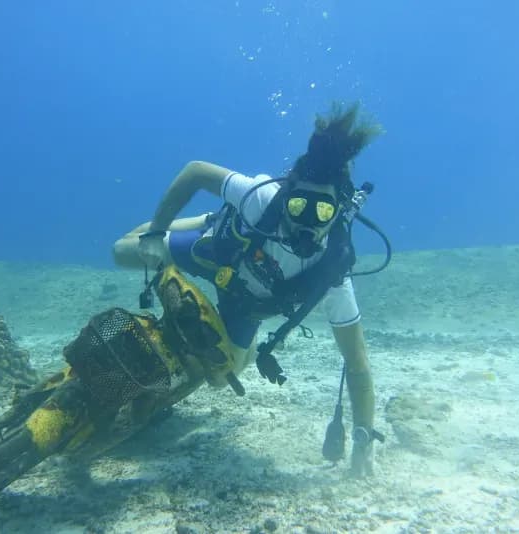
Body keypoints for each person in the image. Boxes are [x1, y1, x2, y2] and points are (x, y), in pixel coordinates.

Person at [113, 103, 381, 477]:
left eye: (321, 212)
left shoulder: (331, 272)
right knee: (122, 251)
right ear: (288, 195)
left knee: (221, 380)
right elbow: (195, 172)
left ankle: (238, 340)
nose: (306, 222)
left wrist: (364, 439)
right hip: (216, 253)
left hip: (245, 306)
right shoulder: (261, 197)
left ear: (338, 212)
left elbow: (357, 364)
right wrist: (157, 233)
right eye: (300, 205)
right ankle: (209, 219)